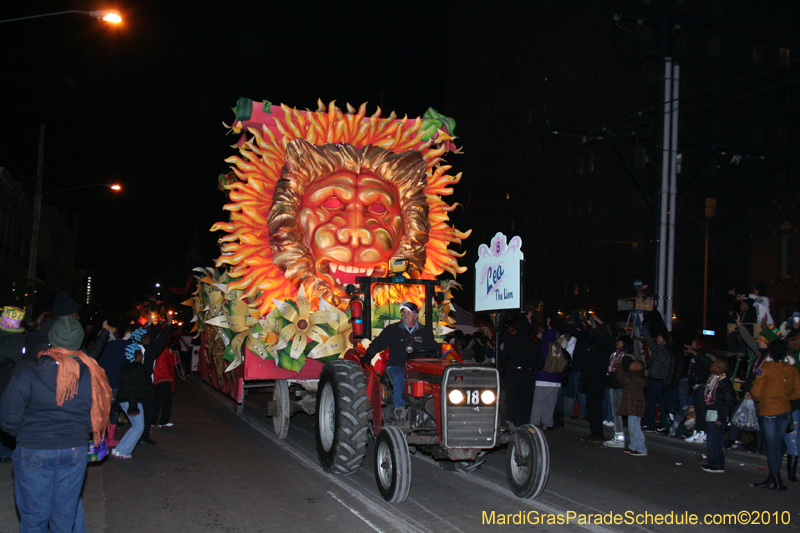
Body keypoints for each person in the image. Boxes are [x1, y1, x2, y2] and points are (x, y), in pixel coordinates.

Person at [0, 316, 112, 532]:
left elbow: (8, 420)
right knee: (64, 516)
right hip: (74, 449)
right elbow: (96, 418)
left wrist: (27, 434)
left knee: (34, 517)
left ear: (51, 338)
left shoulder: (28, 371)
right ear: (79, 340)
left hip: (33, 447)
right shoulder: (91, 373)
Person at [360, 301, 439, 418]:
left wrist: (436, 351)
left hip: (417, 368)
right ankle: (400, 409)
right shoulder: (392, 330)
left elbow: (433, 345)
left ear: (416, 315)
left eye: (408, 312)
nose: (405, 315)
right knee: (399, 376)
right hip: (398, 365)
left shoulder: (425, 331)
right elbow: (378, 343)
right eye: (403, 312)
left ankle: (430, 410)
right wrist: (368, 355)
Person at [750, 340, 800, 490]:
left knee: (772, 447)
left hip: (769, 411)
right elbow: (798, 391)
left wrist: (769, 398)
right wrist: (784, 397)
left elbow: (756, 393)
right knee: (777, 446)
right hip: (785, 409)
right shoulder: (792, 369)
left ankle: (776, 479)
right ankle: (774, 478)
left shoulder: (765, 369)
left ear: (771, 353)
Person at [500, 318, 542, 427]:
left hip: (513, 374)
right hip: (528, 375)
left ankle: (511, 425)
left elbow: (502, 359)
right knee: (526, 404)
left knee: (512, 403)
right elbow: (541, 363)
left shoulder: (511, 342)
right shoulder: (534, 344)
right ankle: (524, 427)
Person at [113, 341, 150, 459]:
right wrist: (133, 406)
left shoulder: (125, 368)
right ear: (138, 355)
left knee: (135, 426)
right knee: (139, 427)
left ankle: (119, 448)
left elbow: (123, 386)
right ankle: (122, 451)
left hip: (124, 400)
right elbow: (135, 388)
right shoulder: (138, 369)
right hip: (132, 401)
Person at [700, 357, 735, 473]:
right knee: (713, 439)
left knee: (714, 440)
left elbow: (727, 402)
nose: (712, 366)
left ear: (720, 368)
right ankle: (713, 461)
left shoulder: (724, 383)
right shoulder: (714, 378)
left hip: (717, 414)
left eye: (714, 365)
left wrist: (721, 418)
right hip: (712, 412)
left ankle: (717, 464)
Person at [683, 335, 716, 444]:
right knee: (697, 411)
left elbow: (710, 365)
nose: (692, 342)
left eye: (694, 340)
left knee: (703, 411)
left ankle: (704, 433)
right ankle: (697, 432)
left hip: (703, 386)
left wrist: (695, 353)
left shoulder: (707, 355)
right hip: (696, 386)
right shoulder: (695, 355)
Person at [615, 359, 648, 457]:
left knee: (635, 427)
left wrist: (618, 367)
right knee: (632, 427)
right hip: (634, 404)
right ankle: (633, 446)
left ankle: (641, 448)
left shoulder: (638, 377)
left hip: (635, 404)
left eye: (633, 364)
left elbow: (626, 381)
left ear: (637, 366)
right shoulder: (635, 375)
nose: (630, 365)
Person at [152, 339, 180, 427]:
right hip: (160, 376)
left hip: (167, 377)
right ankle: (153, 421)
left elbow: (173, 363)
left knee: (167, 400)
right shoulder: (159, 349)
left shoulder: (166, 349)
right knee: (158, 400)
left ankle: (163, 421)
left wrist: (173, 353)